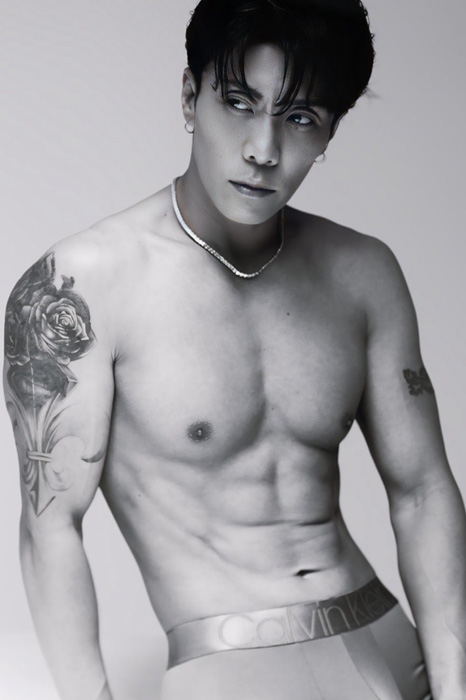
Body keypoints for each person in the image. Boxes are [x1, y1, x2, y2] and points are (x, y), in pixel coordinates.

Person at [3, 0, 466, 698]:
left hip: (391, 636)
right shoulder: (80, 288)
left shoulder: (363, 272)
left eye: (299, 118)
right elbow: (51, 529)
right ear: (190, 98)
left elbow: (423, 489)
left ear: (330, 131)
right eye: (240, 103)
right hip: (232, 658)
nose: (263, 150)